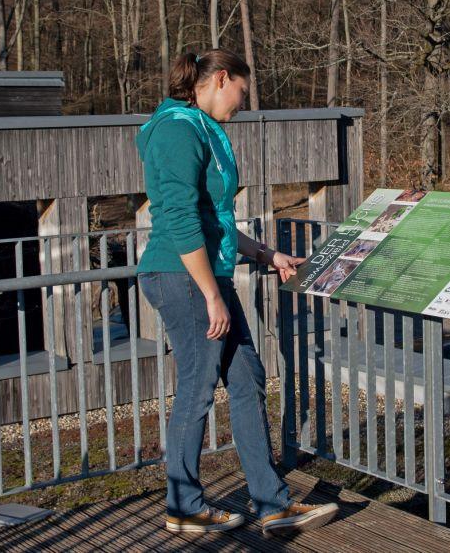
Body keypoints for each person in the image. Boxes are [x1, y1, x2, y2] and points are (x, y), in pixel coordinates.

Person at [136, 49, 337, 536]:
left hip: (205, 276)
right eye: (242, 93)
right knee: (198, 387)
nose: (242, 105)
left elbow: (216, 220)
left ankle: (272, 504)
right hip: (183, 277)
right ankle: (184, 506)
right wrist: (211, 294)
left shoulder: (201, 128)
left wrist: (267, 254)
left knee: (246, 378)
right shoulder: (178, 130)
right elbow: (180, 217)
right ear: (221, 79)